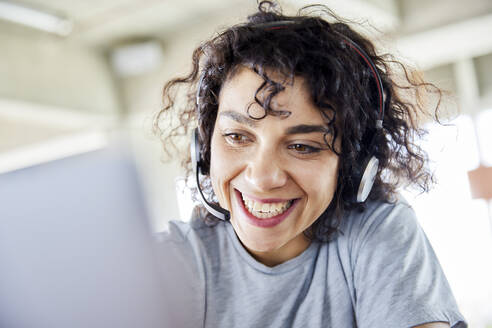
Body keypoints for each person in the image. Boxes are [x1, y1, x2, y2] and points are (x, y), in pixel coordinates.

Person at [153, 1, 467, 327]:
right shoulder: (168, 263)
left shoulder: (376, 230)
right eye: (237, 136)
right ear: (205, 148)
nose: (261, 178)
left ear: (353, 164)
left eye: (302, 146)